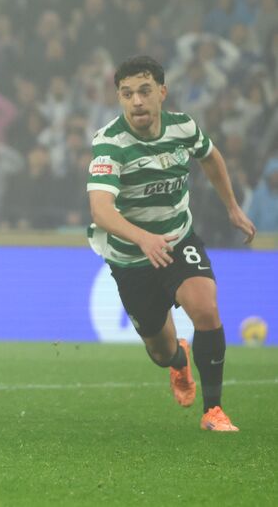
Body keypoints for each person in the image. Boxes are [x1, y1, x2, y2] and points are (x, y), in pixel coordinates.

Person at [87, 55, 256, 432]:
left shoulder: (184, 129)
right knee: (160, 352)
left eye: (145, 91)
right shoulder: (110, 144)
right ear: (119, 97)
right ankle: (179, 359)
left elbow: (211, 157)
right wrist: (143, 238)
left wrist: (232, 207)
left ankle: (213, 412)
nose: (137, 102)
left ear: (162, 93)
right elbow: (100, 210)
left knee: (206, 308)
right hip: (132, 256)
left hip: (178, 240)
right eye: (127, 94)